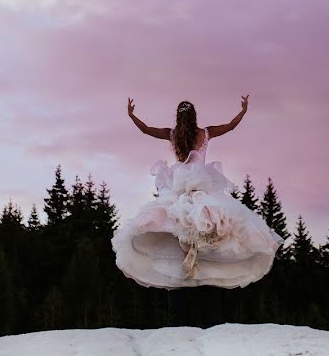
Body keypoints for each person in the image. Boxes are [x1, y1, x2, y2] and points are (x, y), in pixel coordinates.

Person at [112, 95, 286, 328]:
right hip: (205, 196)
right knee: (211, 250)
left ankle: (178, 321)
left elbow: (146, 130)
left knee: (178, 248)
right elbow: (231, 126)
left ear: (178, 117)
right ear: (194, 116)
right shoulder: (205, 132)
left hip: (177, 195)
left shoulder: (172, 134)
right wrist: (243, 111)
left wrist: (132, 115)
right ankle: (213, 321)